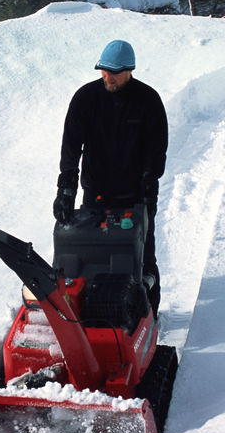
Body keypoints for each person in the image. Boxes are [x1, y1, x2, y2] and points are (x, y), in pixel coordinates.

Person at [53, 39, 168, 312]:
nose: (108, 76)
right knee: (94, 253)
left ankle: (147, 317)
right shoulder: (86, 98)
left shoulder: (148, 101)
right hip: (96, 190)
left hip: (137, 192)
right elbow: (71, 147)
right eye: (103, 70)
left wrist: (149, 182)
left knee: (141, 255)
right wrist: (65, 189)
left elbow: (157, 149)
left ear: (129, 70)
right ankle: (98, 312)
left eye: (114, 72)